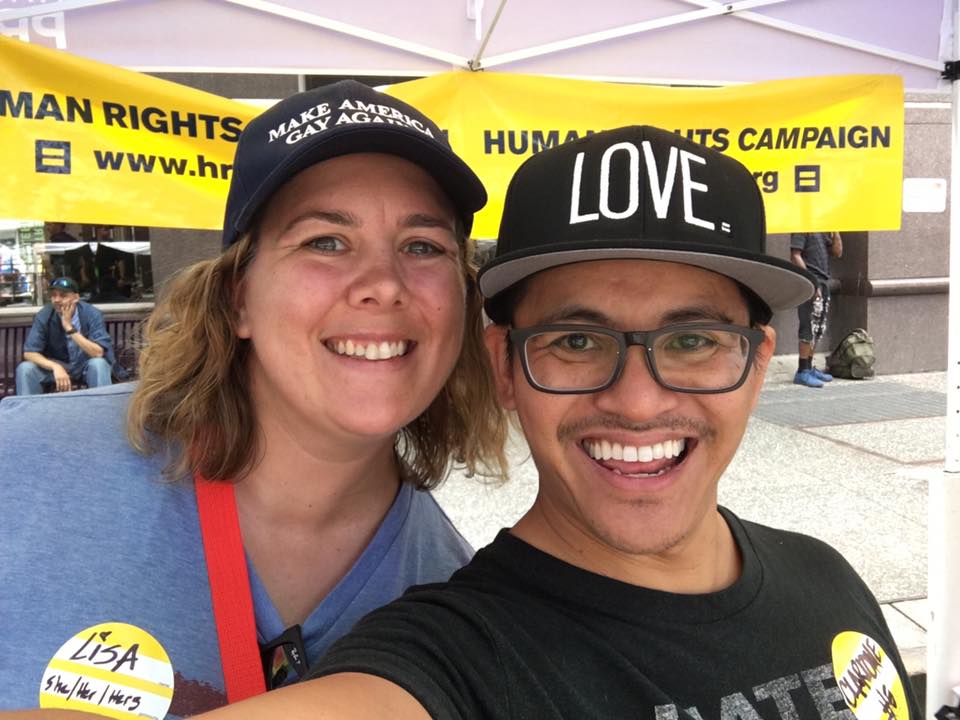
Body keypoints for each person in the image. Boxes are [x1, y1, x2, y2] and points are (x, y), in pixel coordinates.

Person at [86, 125, 910, 720]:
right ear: (505, 367)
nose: (637, 401)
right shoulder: (455, 653)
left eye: (693, 340)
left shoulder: (827, 579)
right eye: (577, 341)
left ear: (758, 362)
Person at [0, 80, 507, 718]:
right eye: (326, 241)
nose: (384, 284)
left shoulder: (452, 599)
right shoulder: (23, 464)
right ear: (238, 297)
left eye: (423, 247)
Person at [14, 276, 114, 394]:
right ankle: (27, 406)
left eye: (63, 296)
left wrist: (69, 328)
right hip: (57, 368)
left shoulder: (92, 314)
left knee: (99, 364)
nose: (57, 300)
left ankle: (102, 404)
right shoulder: (44, 315)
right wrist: (55, 367)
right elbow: (30, 353)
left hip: (85, 366)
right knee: (25, 369)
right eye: (53, 295)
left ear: (76, 298)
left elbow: (98, 353)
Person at [790, 230, 842, 388]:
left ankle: (809, 367)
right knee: (808, 326)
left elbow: (837, 252)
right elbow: (795, 256)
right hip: (810, 283)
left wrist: (836, 232)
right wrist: (811, 282)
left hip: (823, 283)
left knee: (817, 328)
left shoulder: (823, 229)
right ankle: (802, 371)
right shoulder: (802, 228)